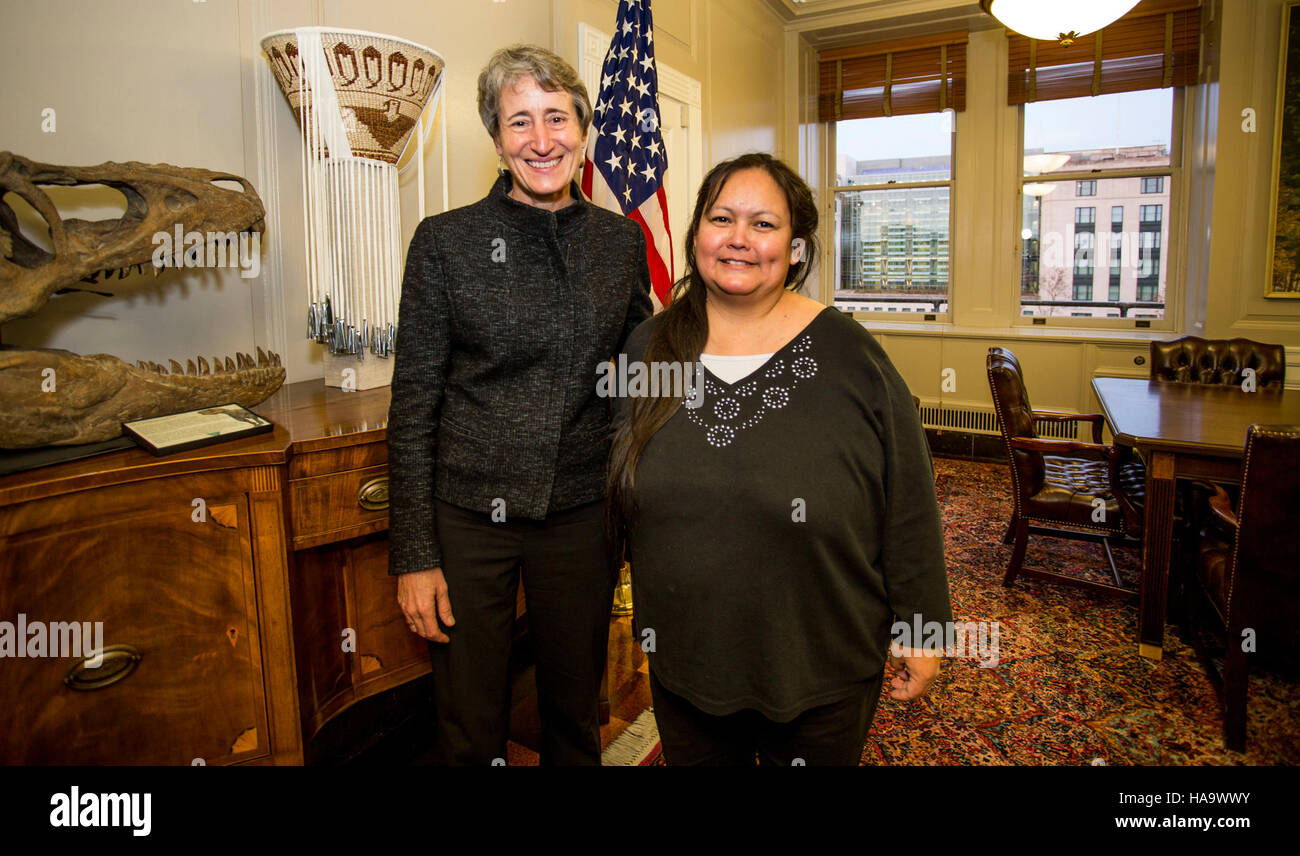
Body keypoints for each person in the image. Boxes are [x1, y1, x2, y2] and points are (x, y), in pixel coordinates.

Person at [607, 152, 950, 765]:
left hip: (823, 661)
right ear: (696, 236)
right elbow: (613, 498)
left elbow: (909, 501)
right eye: (721, 219)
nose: (739, 239)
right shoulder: (647, 348)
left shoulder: (850, 354)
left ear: (795, 248)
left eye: (764, 224)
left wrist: (923, 627)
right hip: (689, 660)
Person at [386, 44, 653, 765]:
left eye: (557, 118)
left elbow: (640, 375)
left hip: (580, 513)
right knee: (469, 720)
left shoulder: (621, 242)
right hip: (469, 517)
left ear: (584, 128)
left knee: (572, 714)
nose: (542, 141)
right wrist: (414, 554)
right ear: (497, 138)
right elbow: (413, 403)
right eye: (520, 122)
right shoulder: (444, 244)